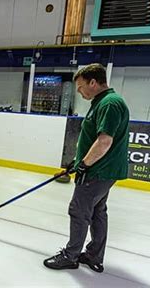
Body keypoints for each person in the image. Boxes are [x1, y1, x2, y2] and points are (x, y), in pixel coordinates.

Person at [43, 63, 130, 273]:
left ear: (93, 82)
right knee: (98, 211)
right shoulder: (104, 101)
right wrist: (78, 160)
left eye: (81, 87)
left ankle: (70, 256)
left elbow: (104, 141)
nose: (79, 91)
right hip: (101, 170)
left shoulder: (109, 103)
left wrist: (84, 165)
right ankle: (94, 256)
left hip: (97, 171)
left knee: (79, 211)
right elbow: (93, 139)